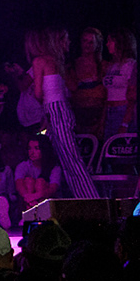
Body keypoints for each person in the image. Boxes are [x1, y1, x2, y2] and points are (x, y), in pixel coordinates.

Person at [27, 27, 97, 199]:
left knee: (71, 160)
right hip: (60, 110)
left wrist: (43, 106)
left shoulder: (40, 61)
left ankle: (92, 199)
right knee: (67, 161)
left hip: (55, 110)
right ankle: (83, 198)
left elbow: (38, 93)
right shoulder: (56, 61)